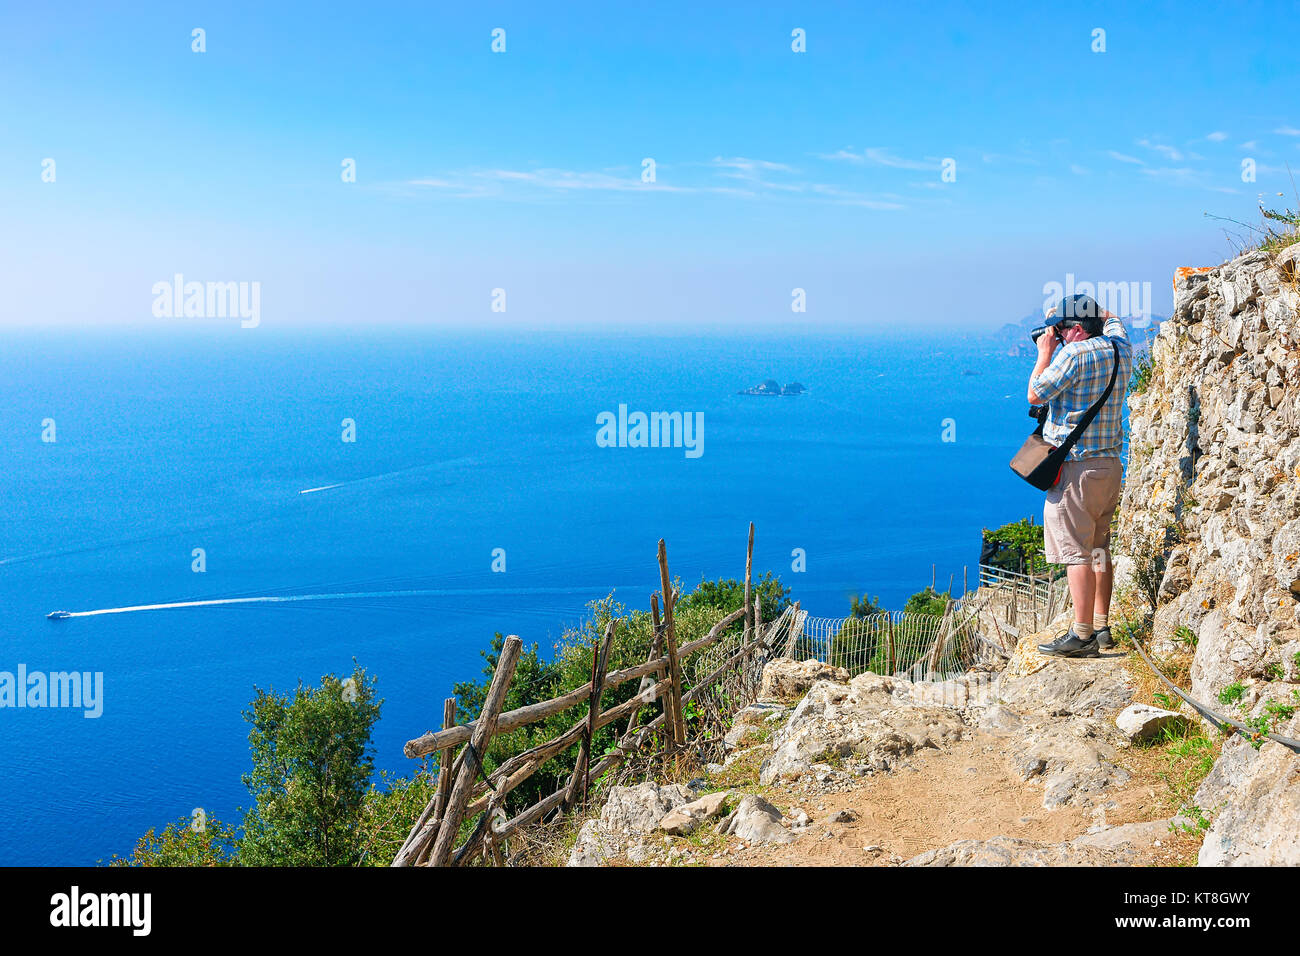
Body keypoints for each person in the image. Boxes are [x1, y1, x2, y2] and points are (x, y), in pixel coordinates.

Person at [1027, 293, 1133, 658]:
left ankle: (1082, 635)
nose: (1054, 335)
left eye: (1060, 329)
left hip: (1075, 469)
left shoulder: (1073, 354)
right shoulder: (1120, 346)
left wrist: (1045, 352)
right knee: (1100, 548)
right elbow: (1112, 319)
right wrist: (1085, 310)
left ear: (1075, 330)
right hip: (1109, 467)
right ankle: (1102, 625)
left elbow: (1036, 393)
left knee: (1076, 553)